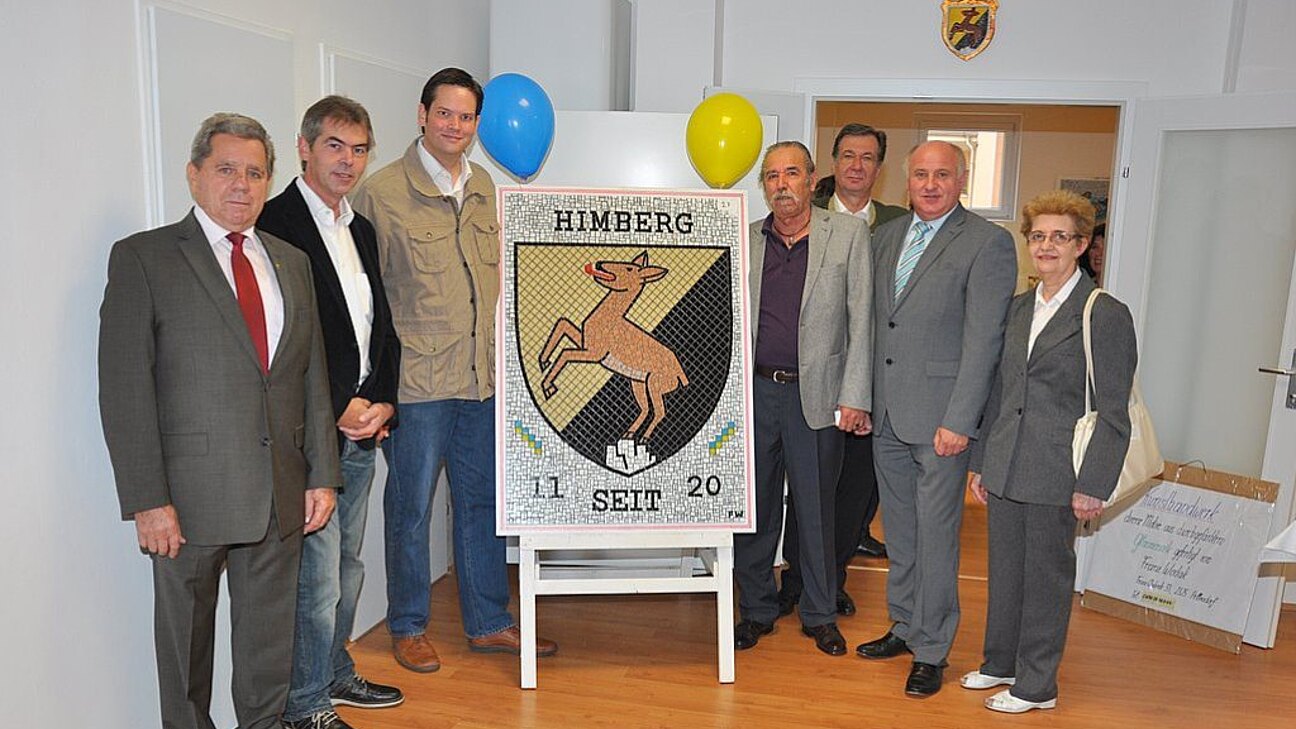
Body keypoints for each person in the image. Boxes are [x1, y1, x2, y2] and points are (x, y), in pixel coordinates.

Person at [98, 113, 341, 729]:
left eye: (255, 173)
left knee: (268, 651)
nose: (242, 185)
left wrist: (321, 473)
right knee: (186, 656)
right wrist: (147, 499)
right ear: (194, 174)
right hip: (187, 501)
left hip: (280, 491)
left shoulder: (291, 261)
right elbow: (125, 390)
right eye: (227, 169)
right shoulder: (145, 258)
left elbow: (310, 375)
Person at [351, 67, 557, 673]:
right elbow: (365, 301)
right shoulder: (381, 193)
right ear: (422, 115)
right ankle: (409, 625)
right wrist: (372, 388)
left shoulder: (485, 185)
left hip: (480, 381)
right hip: (416, 386)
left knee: (482, 504)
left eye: (466, 117)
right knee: (411, 509)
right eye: (445, 114)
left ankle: (489, 622)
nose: (455, 126)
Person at [257, 96, 403, 729]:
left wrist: (384, 401)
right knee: (315, 578)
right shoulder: (273, 224)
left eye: (359, 149)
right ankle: (305, 703)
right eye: (335, 146)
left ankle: (334, 671)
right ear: (304, 148)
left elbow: (379, 328)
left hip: (363, 429)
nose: (348, 161)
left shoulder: (360, 228)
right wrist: (337, 406)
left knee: (347, 566)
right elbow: (283, 339)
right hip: (310, 433)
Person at [963, 190, 1135, 713]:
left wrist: (1093, 484)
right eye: (1038, 236)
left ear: (1081, 245)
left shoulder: (1103, 313)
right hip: (1008, 463)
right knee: (1006, 573)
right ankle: (1001, 663)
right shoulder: (1019, 308)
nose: (1046, 246)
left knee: (1045, 580)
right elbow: (1000, 392)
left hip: (1060, 470)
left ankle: (1037, 686)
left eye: (1060, 237)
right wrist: (981, 463)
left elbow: (1114, 410)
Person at [857, 141, 1016, 697]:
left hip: (943, 421)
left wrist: (961, 420)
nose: (930, 184)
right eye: (921, 174)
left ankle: (932, 648)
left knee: (937, 536)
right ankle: (904, 625)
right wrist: (863, 399)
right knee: (899, 532)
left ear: (961, 180)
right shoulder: (886, 237)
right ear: (907, 180)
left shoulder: (987, 243)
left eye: (942, 175)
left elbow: (985, 342)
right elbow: (876, 326)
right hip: (888, 415)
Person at [733, 141, 872, 657]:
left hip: (818, 397)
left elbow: (862, 320)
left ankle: (819, 614)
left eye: (791, 173)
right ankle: (756, 610)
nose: (782, 184)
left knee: (816, 511)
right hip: (756, 394)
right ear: (763, 187)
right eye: (772, 176)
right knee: (756, 511)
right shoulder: (746, 238)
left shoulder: (848, 236)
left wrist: (855, 396)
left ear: (812, 180)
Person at [780, 124, 903, 620]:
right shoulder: (804, 216)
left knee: (854, 488)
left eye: (867, 157)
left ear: (879, 168)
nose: (856, 165)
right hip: (811, 381)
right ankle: (796, 578)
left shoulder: (897, 225)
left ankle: (833, 578)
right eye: (848, 155)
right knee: (806, 486)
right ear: (831, 165)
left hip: (869, 381)